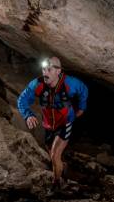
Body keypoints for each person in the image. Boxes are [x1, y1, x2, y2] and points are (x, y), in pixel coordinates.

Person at [17, 56, 88, 192]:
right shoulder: (37, 84)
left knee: (55, 155)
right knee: (52, 155)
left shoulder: (70, 83)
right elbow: (22, 100)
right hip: (48, 125)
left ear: (58, 71)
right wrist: (28, 115)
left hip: (65, 122)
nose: (45, 73)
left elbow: (84, 90)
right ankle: (63, 168)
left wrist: (82, 108)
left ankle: (57, 185)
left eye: (49, 69)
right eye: (44, 69)